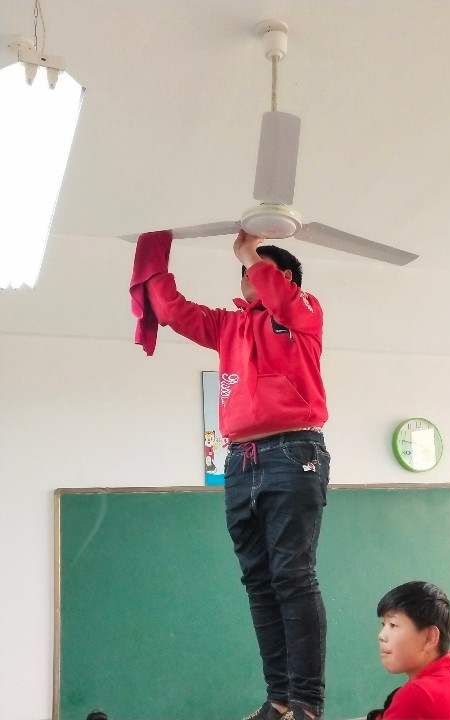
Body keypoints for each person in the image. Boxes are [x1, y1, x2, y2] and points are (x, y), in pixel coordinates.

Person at [130, 229, 331, 720]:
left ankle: (306, 704)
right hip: (240, 460)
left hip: (294, 450)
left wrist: (249, 250)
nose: (246, 277)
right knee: (259, 580)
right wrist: (154, 248)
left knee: (292, 575)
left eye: (256, 269)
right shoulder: (228, 326)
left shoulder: (304, 311)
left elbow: (281, 300)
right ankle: (279, 698)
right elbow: (172, 309)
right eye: (244, 270)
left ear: (283, 277)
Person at [366, 581, 450, 720]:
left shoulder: (416, 694)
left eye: (393, 625)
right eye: (383, 624)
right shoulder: (449, 679)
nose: (381, 635)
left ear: (429, 638)